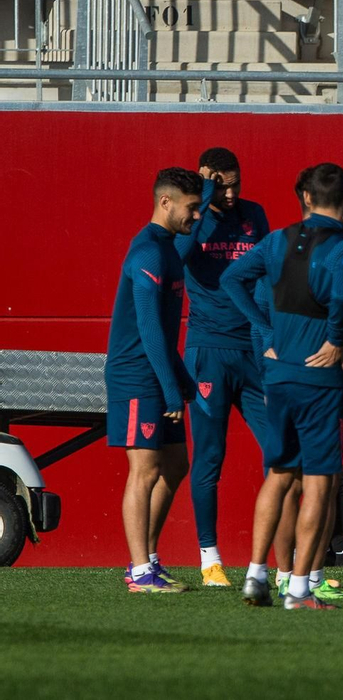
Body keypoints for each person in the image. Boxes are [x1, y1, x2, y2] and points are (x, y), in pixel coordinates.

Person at [223, 162, 343, 610]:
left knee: (279, 474)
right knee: (321, 483)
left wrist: (265, 330)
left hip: (279, 376)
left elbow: (231, 279)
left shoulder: (275, 241)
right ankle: (300, 590)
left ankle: (256, 574)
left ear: (306, 198)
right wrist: (336, 339)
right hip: (319, 379)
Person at [175, 148, 271, 587]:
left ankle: (281, 560)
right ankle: (209, 558)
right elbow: (178, 254)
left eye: (236, 184)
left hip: (252, 351)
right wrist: (205, 191)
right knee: (210, 456)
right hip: (208, 352)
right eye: (222, 185)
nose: (230, 194)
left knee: (281, 451)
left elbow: (266, 276)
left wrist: (269, 335)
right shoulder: (193, 218)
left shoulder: (255, 215)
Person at [106, 167, 204, 593]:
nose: (196, 216)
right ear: (165, 202)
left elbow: (164, 333)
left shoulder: (168, 249)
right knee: (144, 470)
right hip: (136, 377)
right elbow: (148, 329)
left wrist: (182, 379)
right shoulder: (146, 252)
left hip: (160, 373)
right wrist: (170, 388)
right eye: (191, 207)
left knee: (177, 464)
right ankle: (139, 570)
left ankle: (148, 558)